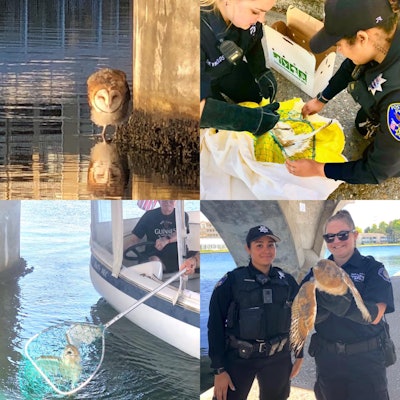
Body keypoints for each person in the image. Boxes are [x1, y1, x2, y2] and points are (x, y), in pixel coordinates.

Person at [285, 0, 400, 184]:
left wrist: (318, 169)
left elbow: (375, 171)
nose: (339, 51)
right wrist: (322, 98)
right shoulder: (385, 34)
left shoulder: (396, 105)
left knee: (380, 160)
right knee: (361, 126)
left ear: (362, 38)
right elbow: (352, 66)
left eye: (339, 44)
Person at [300, 209, 394, 400]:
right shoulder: (316, 272)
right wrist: (318, 311)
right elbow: (301, 314)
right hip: (328, 360)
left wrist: (342, 306)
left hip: (366, 360)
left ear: (355, 235)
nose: (336, 242)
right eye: (330, 237)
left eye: (342, 235)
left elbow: (376, 315)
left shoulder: (373, 269)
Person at [207, 225, 303, 400]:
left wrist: (299, 354)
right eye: (259, 245)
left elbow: (300, 318)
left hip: (278, 358)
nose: (266, 250)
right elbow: (215, 325)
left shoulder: (287, 282)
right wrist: (219, 369)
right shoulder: (232, 281)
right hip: (239, 358)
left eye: (270, 245)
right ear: (248, 249)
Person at [200, 0, 281, 136]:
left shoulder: (244, 17)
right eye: (255, 12)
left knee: (256, 97)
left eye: (265, 12)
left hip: (227, 66)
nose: (262, 20)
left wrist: (261, 71)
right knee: (223, 134)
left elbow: (253, 39)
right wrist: (249, 120)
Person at [131, 200, 189, 273]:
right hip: (157, 256)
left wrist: (166, 239)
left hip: (180, 256)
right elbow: (134, 239)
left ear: (176, 201)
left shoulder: (182, 215)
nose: (168, 202)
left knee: (199, 257)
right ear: (158, 200)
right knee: (154, 262)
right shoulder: (149, 216)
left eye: (172, 199)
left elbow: (181, 233)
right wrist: (119, 253)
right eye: (164, 199)